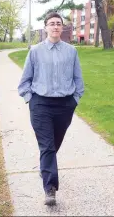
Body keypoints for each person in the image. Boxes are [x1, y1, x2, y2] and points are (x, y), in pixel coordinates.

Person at [18, 12, 84, 206]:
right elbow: (25, 81)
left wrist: (75, 99)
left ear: (62, 28)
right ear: (45, 27)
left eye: (58, 24)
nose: (55, 27)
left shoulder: (71, 51)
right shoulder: (35, 51)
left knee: (54, 144)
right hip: (40, 104)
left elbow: (78, 78)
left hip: (65, 105)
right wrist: (30, 99)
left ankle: (45, 167)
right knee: (47, 146)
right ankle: (50, 188)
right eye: (52, 24)